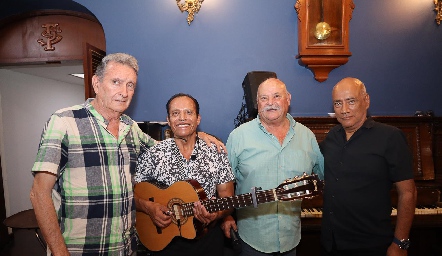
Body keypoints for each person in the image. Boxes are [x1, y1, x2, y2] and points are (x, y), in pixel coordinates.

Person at [29, 53, 225, 256]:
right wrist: (60, 252)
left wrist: (192, 132)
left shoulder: (130, 128)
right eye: (116, 82)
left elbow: (165, 147)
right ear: (97, 83)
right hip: (81, 249)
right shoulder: (64, 122)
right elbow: (39, 193)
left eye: (130, 85)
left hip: (127, 248)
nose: (124, 92)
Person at [222, 78, 324, 255]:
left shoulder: (307, 136)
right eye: (264, 98)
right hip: (252, 240)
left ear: (288, 98)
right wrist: (226, 215)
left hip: (291, 238)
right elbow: (224, 182)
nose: (270, 103)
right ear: (257, 102)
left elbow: (321, 179)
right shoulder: (238, 137)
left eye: (277, 96)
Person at [320, 77, 417, 256]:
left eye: (351, 101)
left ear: (366, 101)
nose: (344, 110)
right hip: (331, 243)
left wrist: (400, 243)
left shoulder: (391, 137)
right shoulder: (331, 137)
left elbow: (408, 192)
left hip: (371, 245)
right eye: (337, 103)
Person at [134, 93, 235, 256]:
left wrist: (216, 214)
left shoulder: (216, 152)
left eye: (188, 112)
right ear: (168, 120)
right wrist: (149, 207)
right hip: (164, 240)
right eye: (175, 113)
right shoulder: (153, 154)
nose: (182, 118)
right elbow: (133, 194)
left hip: (207, 240)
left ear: (198, 119)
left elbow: (228, 200)